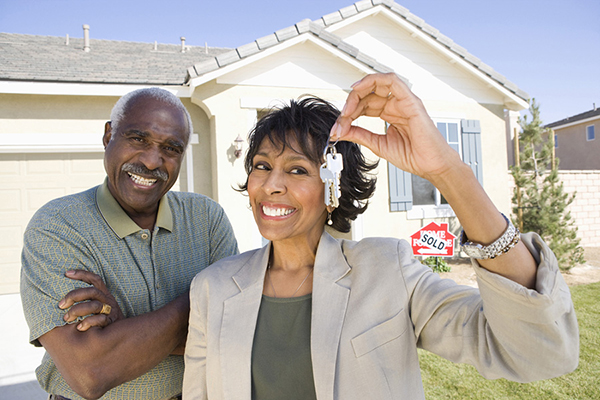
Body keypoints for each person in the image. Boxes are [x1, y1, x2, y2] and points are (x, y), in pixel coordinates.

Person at [182, 73, 579, 399]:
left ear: (332, 185)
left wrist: (445, 171)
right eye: (261, 165)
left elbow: (539, 352)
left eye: (298, 170)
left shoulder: (389, 272)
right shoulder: (211, 289)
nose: (271, 184)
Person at [20, 88, 238, 400]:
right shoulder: (58, 226)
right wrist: (202, 298)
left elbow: (234, 334)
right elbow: (90, 373)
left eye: (171, 148)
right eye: (138, 139)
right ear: (109, 136)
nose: (151, 162)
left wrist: (126, 329)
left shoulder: (206, 219)